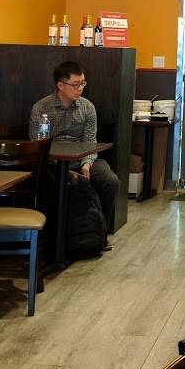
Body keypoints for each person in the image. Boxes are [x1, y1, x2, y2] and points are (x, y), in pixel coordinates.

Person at [29, 61, 120, 240]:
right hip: (52, 163)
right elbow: (37, 145)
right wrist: (64, 171)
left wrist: (86, 165)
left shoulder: (88, 107)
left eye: (83, 83)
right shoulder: (41, 108)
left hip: (81, 159)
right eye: (75, 84)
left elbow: (90, 141)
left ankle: (99, 234)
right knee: (49, 182)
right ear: (60, 85)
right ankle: (52, 237)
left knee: (110, 181)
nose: (80, 88)